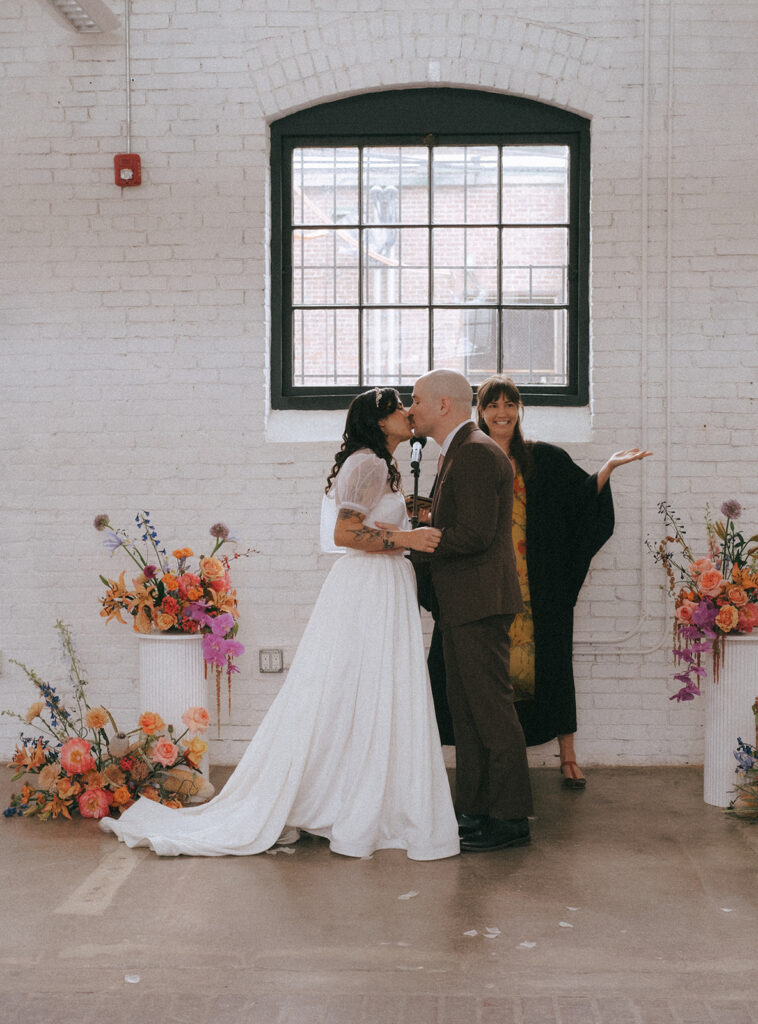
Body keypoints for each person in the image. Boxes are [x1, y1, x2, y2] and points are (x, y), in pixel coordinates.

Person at [100, 387, 460, 860]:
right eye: (397, 407)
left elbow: (368, 522)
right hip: (368, 587)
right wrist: (409, 535)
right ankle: (339, 797)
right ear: (377, 421)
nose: (407, 413)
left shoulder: (377, 463)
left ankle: (354, 791)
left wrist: (405, 522)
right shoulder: (369, 463)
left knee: (372, 688)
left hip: (380, 584)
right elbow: (345, 532)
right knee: (356, 686)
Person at [426, 374, 652, 789]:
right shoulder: (466, 455)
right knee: (475, 675)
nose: (502, 413)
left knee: (551, 664)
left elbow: (581, 499)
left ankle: (568, 755)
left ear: (519, 410)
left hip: (535, 586)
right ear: (480, 410)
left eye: (509, 405)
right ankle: (471, 760)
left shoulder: (542, 458)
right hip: (482, 586)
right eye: (493, 405)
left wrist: (606, 469)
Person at [409, 369, 533, 853]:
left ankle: (509, 819)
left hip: (479, 602)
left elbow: (477, 534)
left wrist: (415, 544)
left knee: (491, 713)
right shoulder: (461, 451)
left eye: (417, 399)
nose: (411, 407)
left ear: (443, 405)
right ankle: (476, 810)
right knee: (466, 715)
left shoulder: (476, 453)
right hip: (465, 603)